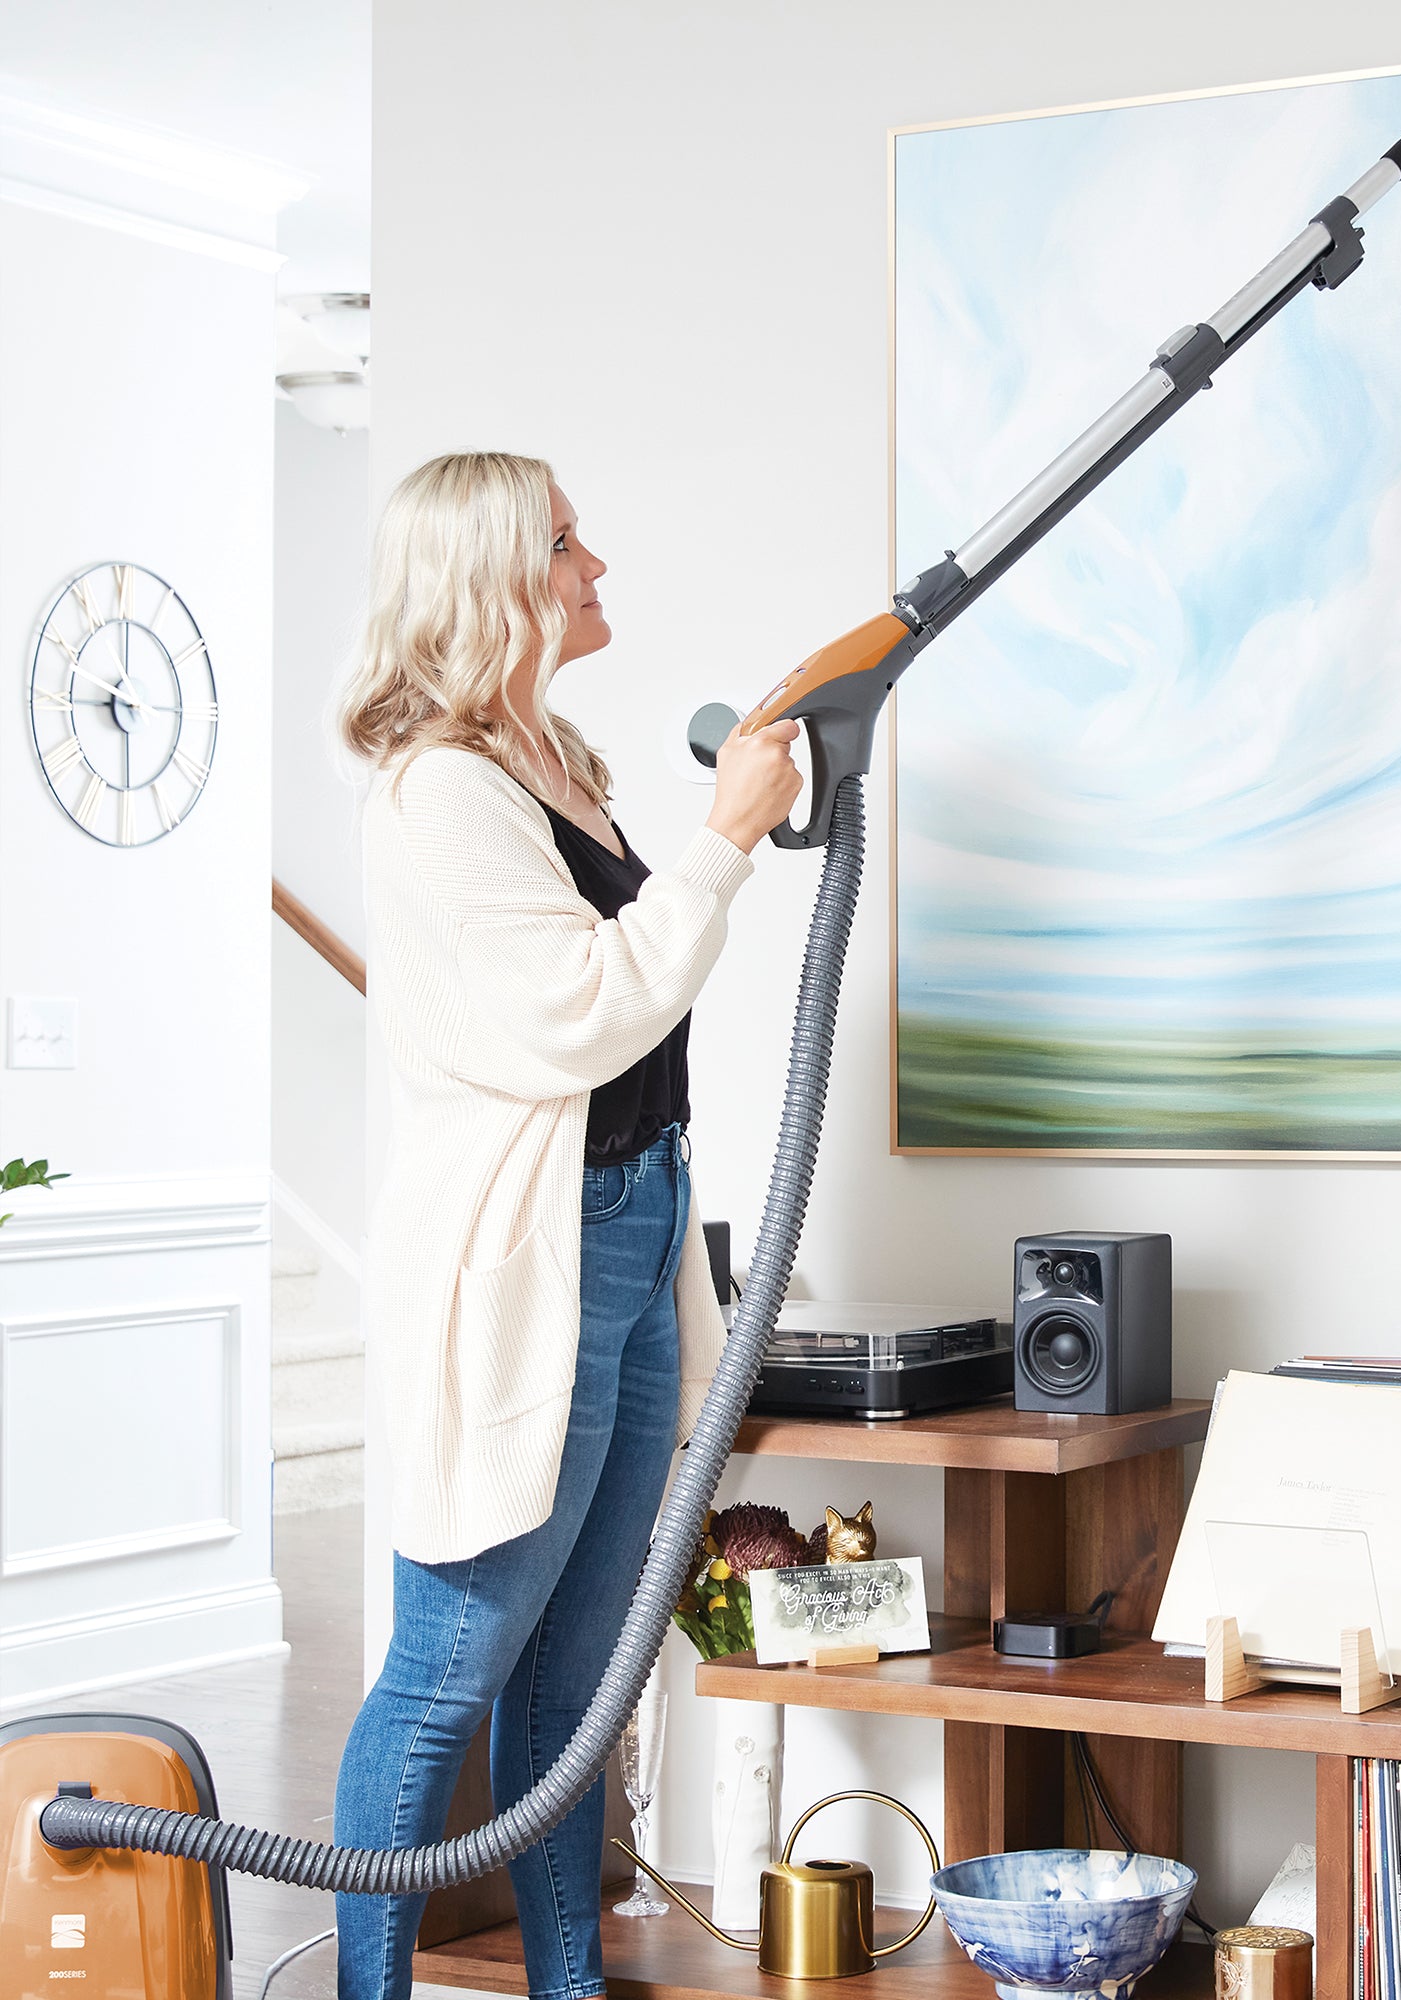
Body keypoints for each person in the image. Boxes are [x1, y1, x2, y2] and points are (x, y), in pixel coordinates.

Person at [331, 451, 801, 1998]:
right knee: (453, 1663)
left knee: (584, 1679)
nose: (597, 566)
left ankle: (565, 1983)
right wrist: (727, 839)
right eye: (564, 543)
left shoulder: (557, 761)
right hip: (531, 1255)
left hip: (638, 1227)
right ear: (490, 580)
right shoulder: (436, 789)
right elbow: (588, 1009)